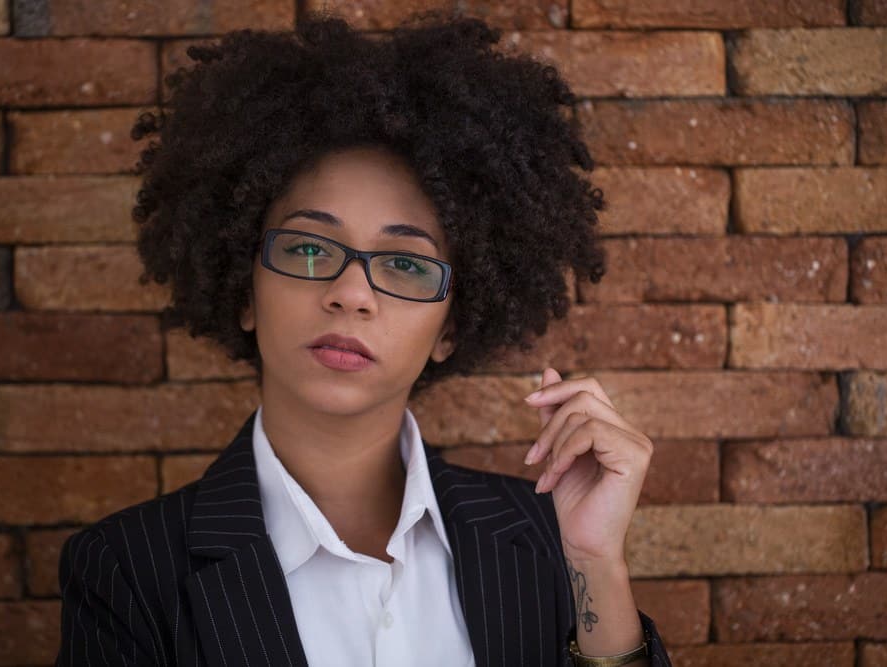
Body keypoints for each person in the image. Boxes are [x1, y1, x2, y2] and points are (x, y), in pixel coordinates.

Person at [56, 10, 672, 667]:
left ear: (451, 327)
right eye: (310, 248)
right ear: (245, 291)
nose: (351, 292)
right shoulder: (126, 570)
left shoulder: (547, 534)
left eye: (405, 263)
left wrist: (596, 561)